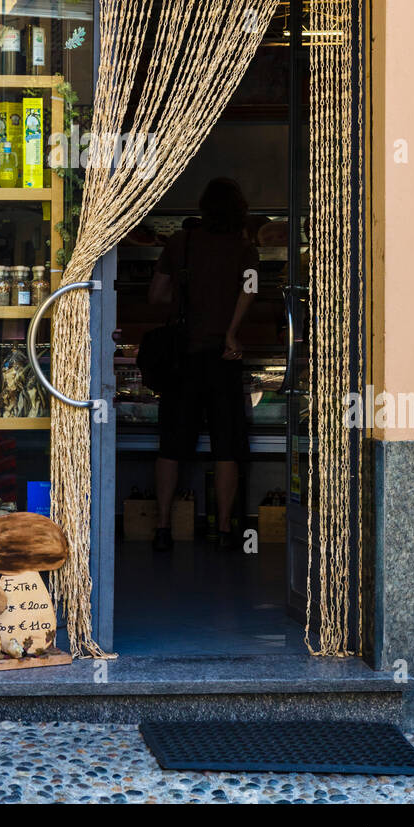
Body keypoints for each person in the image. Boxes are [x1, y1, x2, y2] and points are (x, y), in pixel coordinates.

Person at [147, 177, 258, 552]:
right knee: (226, 446)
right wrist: (231, 332)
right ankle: (225, 530)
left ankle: (162, 527)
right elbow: (251, 289)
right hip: (224, 360)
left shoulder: (181, 243)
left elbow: (156, 294)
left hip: (183, 359)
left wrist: (185, 301)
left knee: (171, 444)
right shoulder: (245, 249)